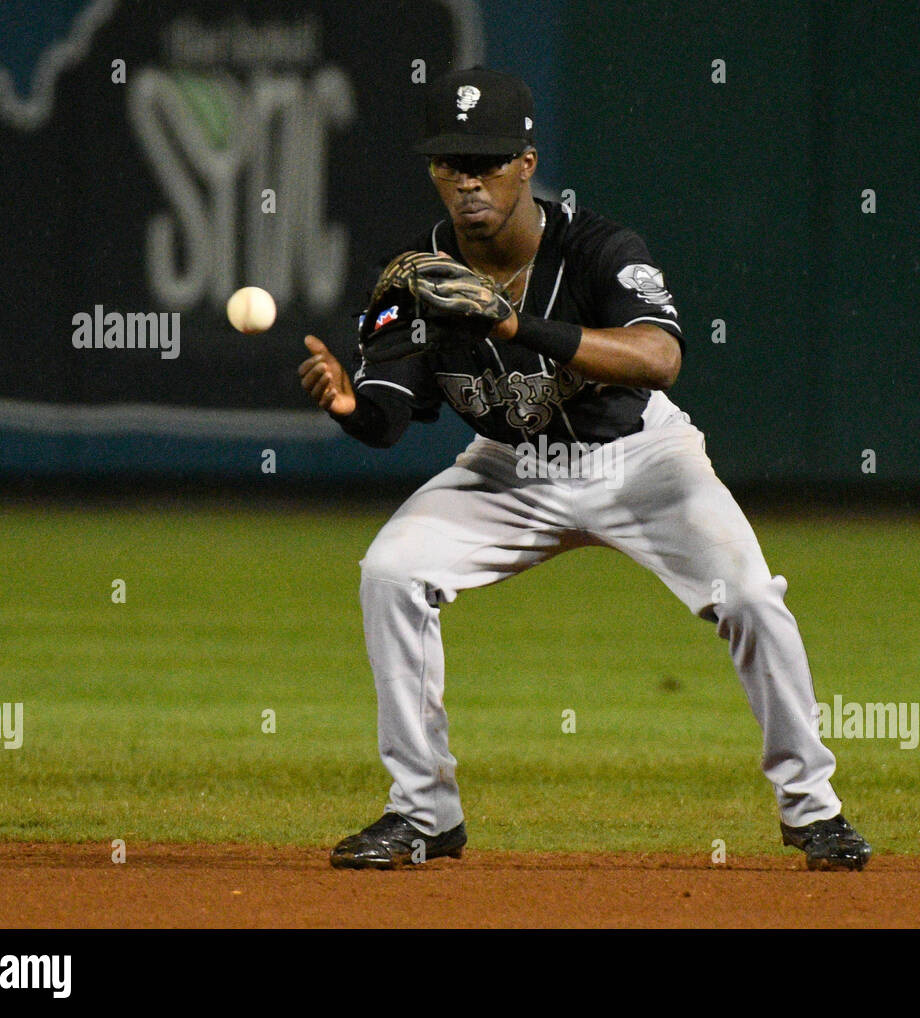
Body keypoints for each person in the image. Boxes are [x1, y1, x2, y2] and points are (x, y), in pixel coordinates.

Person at [298, 67, 871, 872]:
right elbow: (391, 417)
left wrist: (516, 323)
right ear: (433, 170)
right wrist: (349, 408)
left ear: (526, 164)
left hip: (640, 459)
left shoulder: (599, 248)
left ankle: (815, 811)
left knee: (749, 597)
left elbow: (660, 357)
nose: (469, 179)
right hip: (506, 470)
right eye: (451, 162)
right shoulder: (413, 277)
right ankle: (423, 812)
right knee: (391, 573)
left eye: (488, 160)